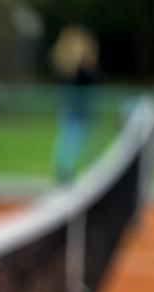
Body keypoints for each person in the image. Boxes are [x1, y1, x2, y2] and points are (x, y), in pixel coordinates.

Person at [51, 26, 98, 183]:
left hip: (84, 110)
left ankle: (85, 173)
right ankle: (65, 173)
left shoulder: (86, 67)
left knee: (83, 144)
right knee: (70, 142)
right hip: (74, 110)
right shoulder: (72, 68)